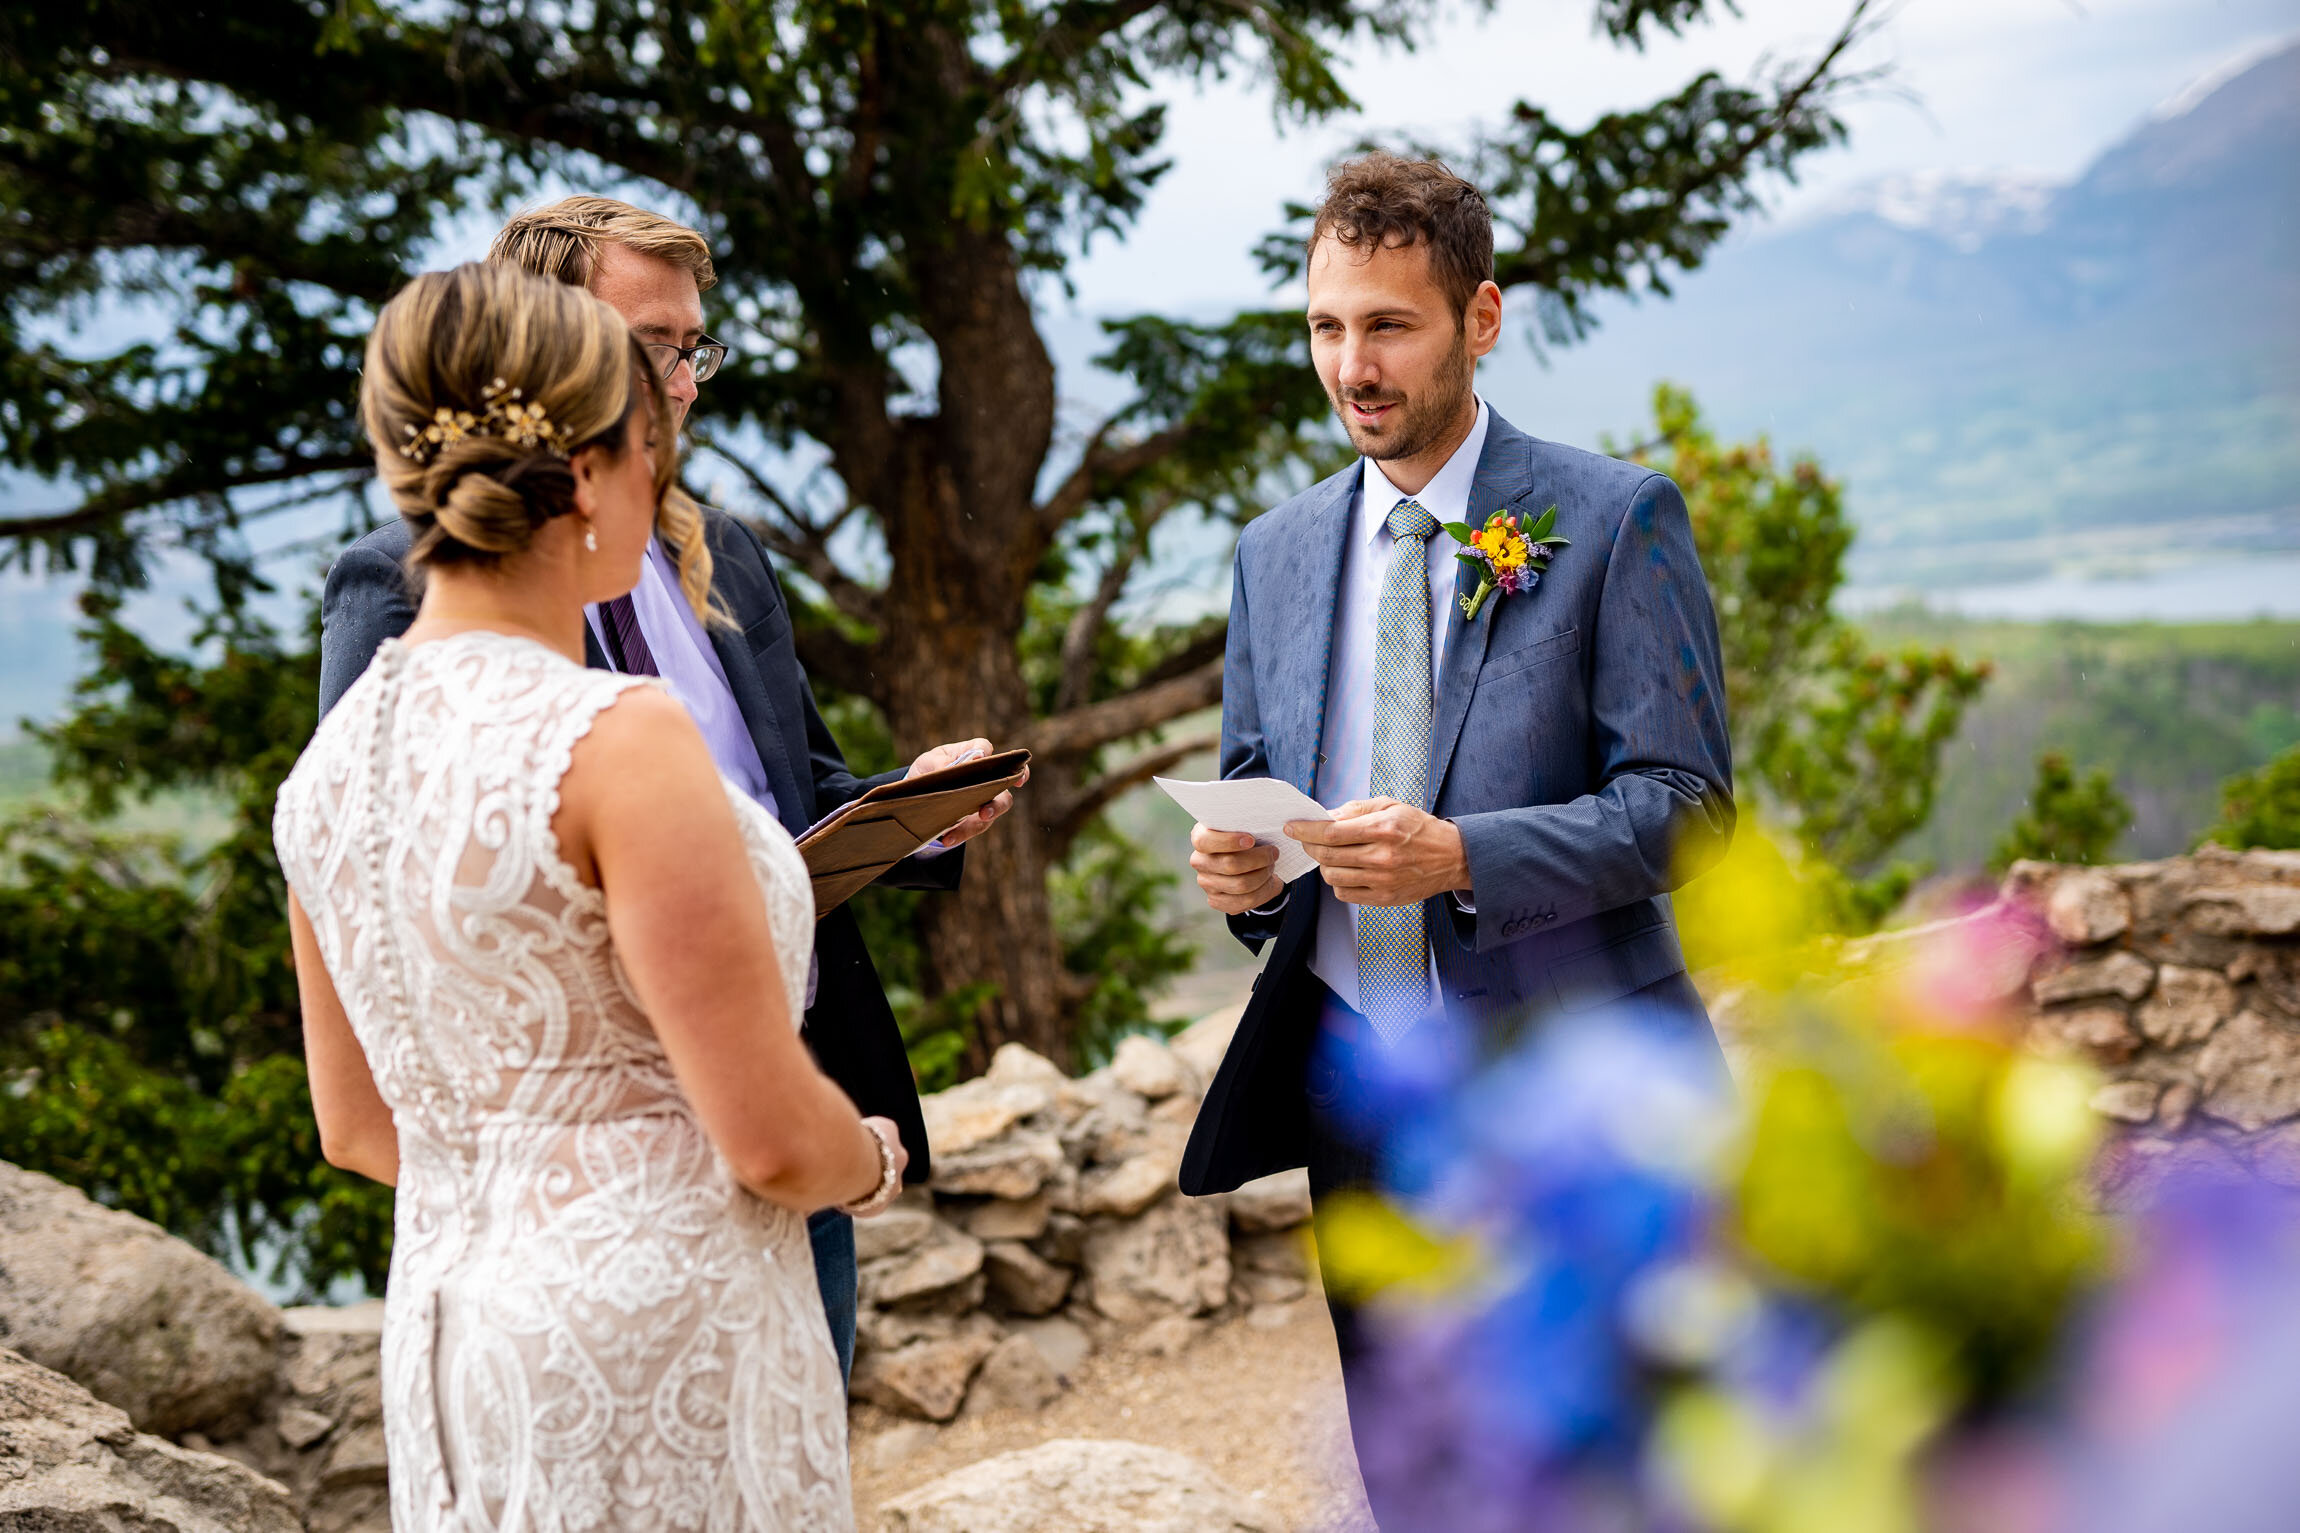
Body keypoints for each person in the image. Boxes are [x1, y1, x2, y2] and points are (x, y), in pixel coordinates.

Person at [317, 197, 1016, 1382]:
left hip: (535, 1244)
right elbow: (409, 919)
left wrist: (913, 812)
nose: (682, 384)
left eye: (693, 348)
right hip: (716, 1161)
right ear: (542, 351)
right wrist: (843, 1156)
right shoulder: (400, 595)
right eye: (651, 348)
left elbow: (789, 794)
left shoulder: (719, 548)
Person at [277, 262, 882, 1529]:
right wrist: (866, 1158)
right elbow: (769, 1140)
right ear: (598, 471)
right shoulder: (619, 737)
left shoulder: (326, 775)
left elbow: (355, 1130)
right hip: (661, 1341)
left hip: (453, 1348)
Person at [1175, 154, 1735, 1522]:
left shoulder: (1613, 522)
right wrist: (1246, 877)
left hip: (1576, 1086)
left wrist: (1463, 855)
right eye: (1325, 327)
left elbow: (1687, 810)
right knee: (1410, 1466)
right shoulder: (1275, 552)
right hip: (1360, 1089)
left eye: (1389, 326)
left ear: (1480, 319)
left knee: (1625, 1466)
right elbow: (1263, 787)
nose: (1350, 367)